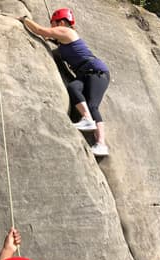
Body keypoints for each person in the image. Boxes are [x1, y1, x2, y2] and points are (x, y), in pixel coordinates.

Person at [19, 8, 110, 157]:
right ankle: (87, 119)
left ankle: (101, 144)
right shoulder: (64, 40)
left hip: (97, 72)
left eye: (53, 24)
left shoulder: (67, 32)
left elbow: (40, 30)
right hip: (82, 75)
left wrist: (24, 19)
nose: (53, 27)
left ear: (61, 22)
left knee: (93, 105)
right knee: (73, 88)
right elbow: (55, 41)